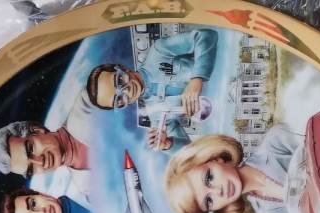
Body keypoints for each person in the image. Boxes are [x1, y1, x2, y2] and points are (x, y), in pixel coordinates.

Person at [164, 128, 308, 213]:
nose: (218, 191)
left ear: (216, 158)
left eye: (209, 178)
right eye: (209, 200)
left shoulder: (275, 143)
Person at [85, 28, 219, 152]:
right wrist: (168, 144)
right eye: (119, 99)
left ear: (122, 68)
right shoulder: (157, 118)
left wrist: (197, 78)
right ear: (121, 105)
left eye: (119, 81)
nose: (127, 91)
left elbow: (206, 35)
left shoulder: (159, 51)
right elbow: (190, 152)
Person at [0, 120, 89, 178]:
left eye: (30, 149)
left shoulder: (87, 111)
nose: (40, 162)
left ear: (37, 130)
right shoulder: (85, 188)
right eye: (31, 170)